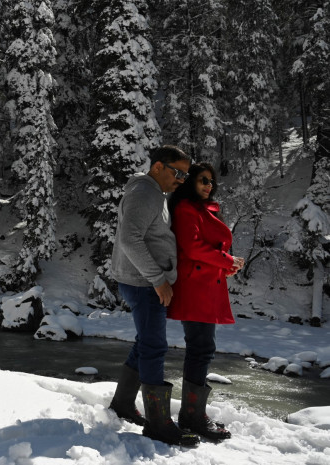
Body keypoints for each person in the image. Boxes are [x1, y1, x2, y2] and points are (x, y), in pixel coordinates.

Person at [108, 145, 199, 447]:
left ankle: (122, 404)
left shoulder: (154, 193)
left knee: (146, 342)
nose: (181, 179)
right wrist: (159, 280)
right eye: (177, 172)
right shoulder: (145, 193)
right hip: (144, 284)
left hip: (142, 281)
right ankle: (159, 423)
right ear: (158, 166)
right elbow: (129, 239)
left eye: (185, 174)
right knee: (154, 346)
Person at [168, 162, 244, 441]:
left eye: (211, 181)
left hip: (204, 287)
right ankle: (192, 416)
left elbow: (203, 252)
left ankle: (192, 414)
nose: (208, 185)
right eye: (202, 180)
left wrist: (226, 266)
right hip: (195, 289)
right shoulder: (186, 209)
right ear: (190, 182)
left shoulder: (200, 209)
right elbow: (191, 247)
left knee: (202, 348)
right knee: (201, 349)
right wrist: (225, 260)